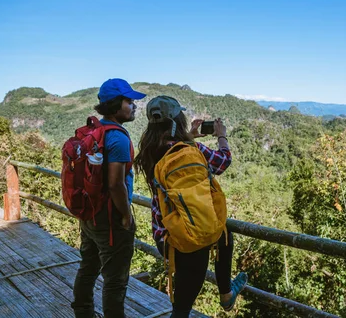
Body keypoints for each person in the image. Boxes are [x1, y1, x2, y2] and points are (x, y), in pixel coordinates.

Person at [134, 95, 247, 317]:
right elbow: (223, 161)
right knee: (182, 307)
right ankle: (225, 295)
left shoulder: (148, 149)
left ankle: (226, 294)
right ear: (178, 119)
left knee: (224, 234)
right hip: (187, 240)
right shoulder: (192, 149)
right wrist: (221, 135)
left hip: (164, 235)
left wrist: (190, 136)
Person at [71, 78, 146, 318]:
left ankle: (83, 313)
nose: (133, 105)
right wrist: (126, 215)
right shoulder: (119, 138)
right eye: (128, 100)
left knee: (88, 267)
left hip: (90, 212)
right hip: (111, 218)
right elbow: (115, 184)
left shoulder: (95, 131)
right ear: (115, 104)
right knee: (115, 280)